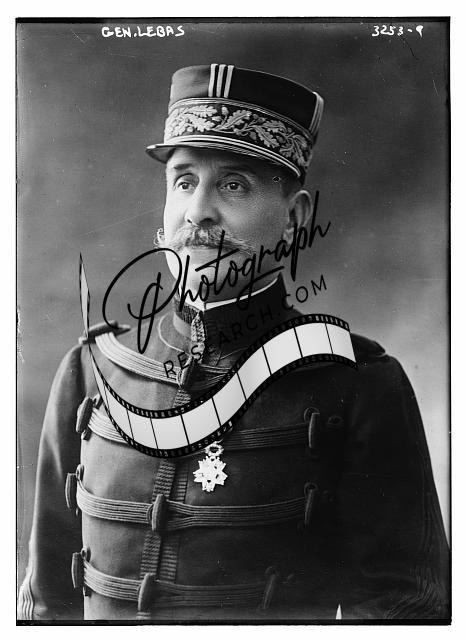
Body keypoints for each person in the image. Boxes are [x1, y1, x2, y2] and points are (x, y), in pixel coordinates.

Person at [18, 63, 450, 622]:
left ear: (294, 219)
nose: (198, 212)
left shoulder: (358, 382)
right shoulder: (92, 368)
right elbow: (46, 603)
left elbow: (408, 609)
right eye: (184, 181)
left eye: (233, 185)